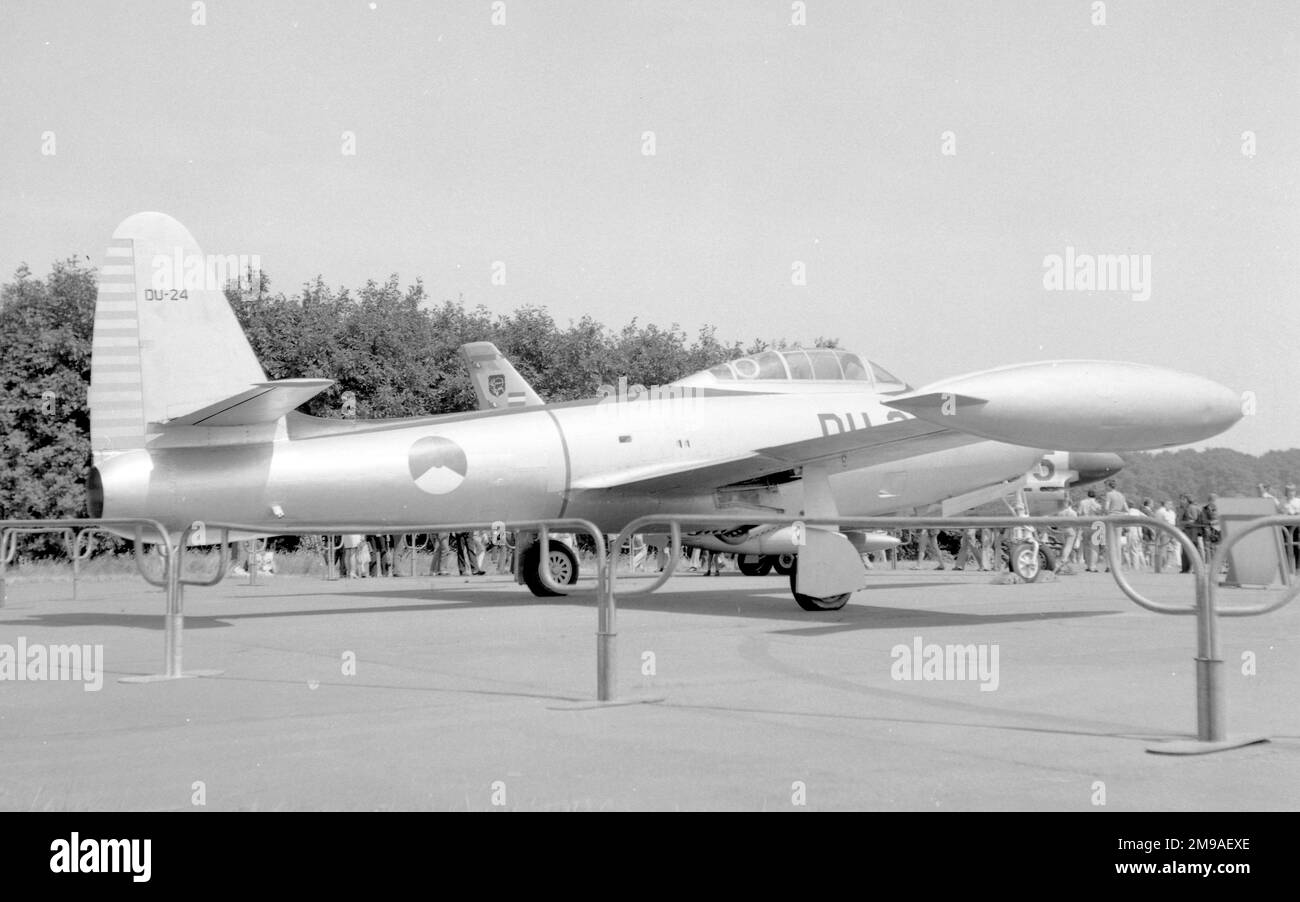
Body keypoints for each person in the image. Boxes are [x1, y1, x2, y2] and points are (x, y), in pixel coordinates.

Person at [1078, 490, 1103, 572]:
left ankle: (1088, 565)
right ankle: (1093, 566)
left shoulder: (1082, 502)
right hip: (1095, 525)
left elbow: (1079, 513)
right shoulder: (1097, 505)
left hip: (1085, 525)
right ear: (1095, 496)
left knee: (1086, 546)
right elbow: (1101, 514)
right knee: (1095, 547)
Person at [1177, 494, 1203, 573]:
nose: (1181, 501)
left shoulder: (1191, 508)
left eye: (1183, 499)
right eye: (1180, 499)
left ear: (1187, 500)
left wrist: (1182, 522)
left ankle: (1192, 568)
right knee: (1186, 551)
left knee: (1191, 550)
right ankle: (1186, 568)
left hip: (1192, 532)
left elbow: (1194, 521)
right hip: (1187, 531)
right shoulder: (1185, 508)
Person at [1057, 495, 1079, 571]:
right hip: (1070, 529)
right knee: (1068, 546)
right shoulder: (1073, 512)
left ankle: (1064, 560)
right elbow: (1076, 523)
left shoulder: (1060, 512)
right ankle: (1064, 560)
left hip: (1062, 530)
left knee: (1064, 546)